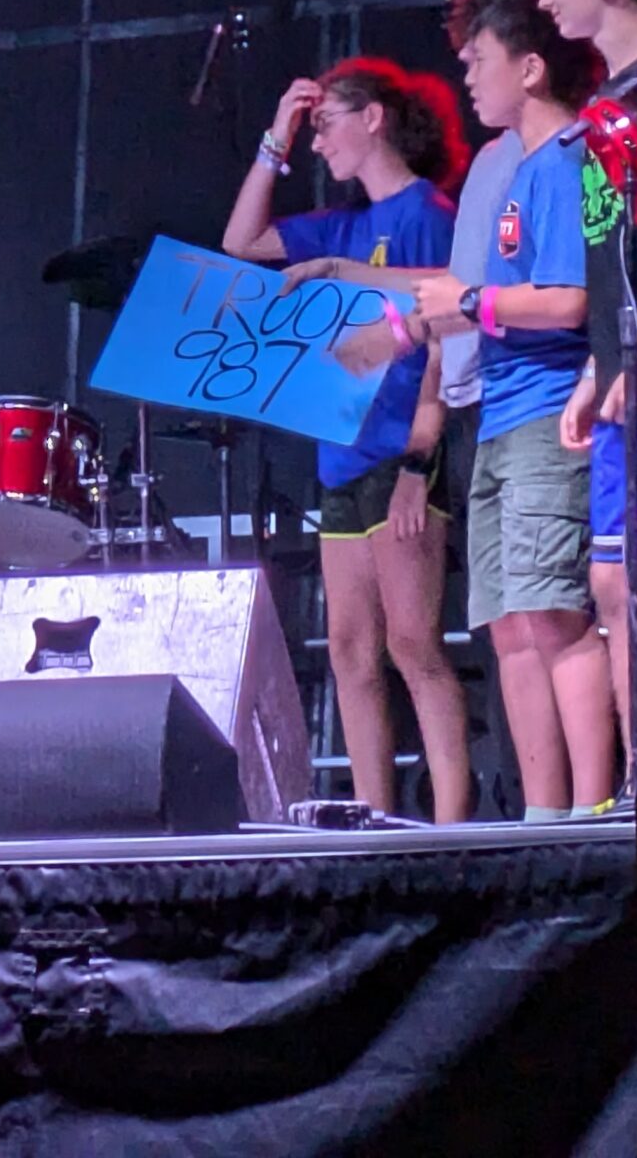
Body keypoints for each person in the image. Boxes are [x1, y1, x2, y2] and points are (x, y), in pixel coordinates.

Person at [222, 57, 467, 820]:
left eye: (326, 125)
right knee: (354, 652)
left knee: (413, 646)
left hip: (403, 451)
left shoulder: (427, 210)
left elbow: (447, 332)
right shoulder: (342, 225)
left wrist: (418, 465)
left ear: (374, 120)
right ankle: (371, 819)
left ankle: (454, 826)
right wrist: (276, 137)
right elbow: (242, 243)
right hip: (342, 458)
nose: (317, 143)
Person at [395, 0, 614, 821]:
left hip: (552, 414)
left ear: (529, 68)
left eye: (479, 60)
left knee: (554, 616)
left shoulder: (568, 159)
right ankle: (543, 814)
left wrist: (471, 303)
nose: (468, 79)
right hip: (498, 418)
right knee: (510, 627)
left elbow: (572, 301)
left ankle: (594, 810)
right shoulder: (514, 169)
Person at [534, 0, 637, 794]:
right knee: (618, 589)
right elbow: (616, 250)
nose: (545, 3)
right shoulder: (602, 113)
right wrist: (601, 362)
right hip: (626, 365)